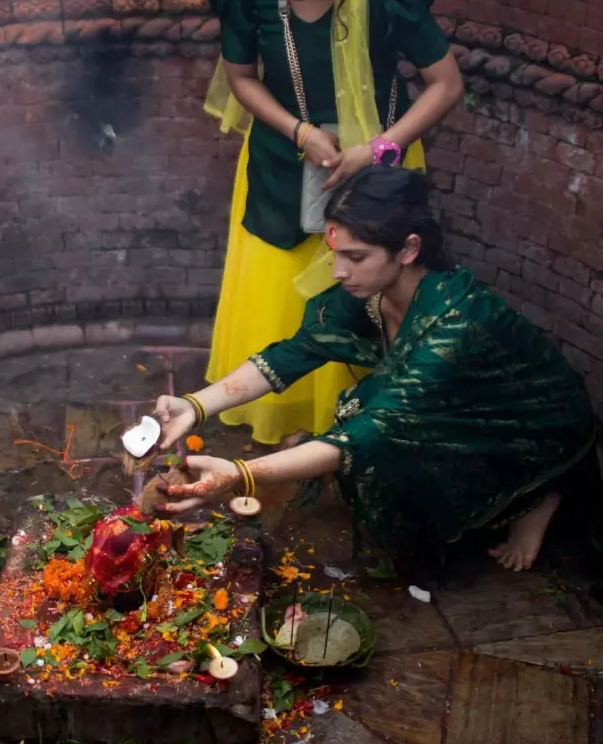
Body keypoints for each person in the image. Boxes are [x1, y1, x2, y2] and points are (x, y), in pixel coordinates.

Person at [153, 165, 597, 574]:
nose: (340, 272)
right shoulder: (369, 292)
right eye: (336, 254)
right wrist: (195, 405)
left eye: (357, 257)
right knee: (371, 436)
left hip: (535, 423)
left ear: (408, 249)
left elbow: (370, 432)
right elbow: (294, 353)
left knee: (373, 437)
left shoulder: (455, 320)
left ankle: (540, 494)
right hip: (463, 404)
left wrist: (241, 474)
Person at [204, 0, 464, 446]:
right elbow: (242, 78)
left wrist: (378, 148)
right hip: (282, 160)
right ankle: (291, 425)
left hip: (380, 165)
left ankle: (356, 432)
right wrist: (301, 133)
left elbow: (445, 84)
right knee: (281, 296)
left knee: (368, 291)